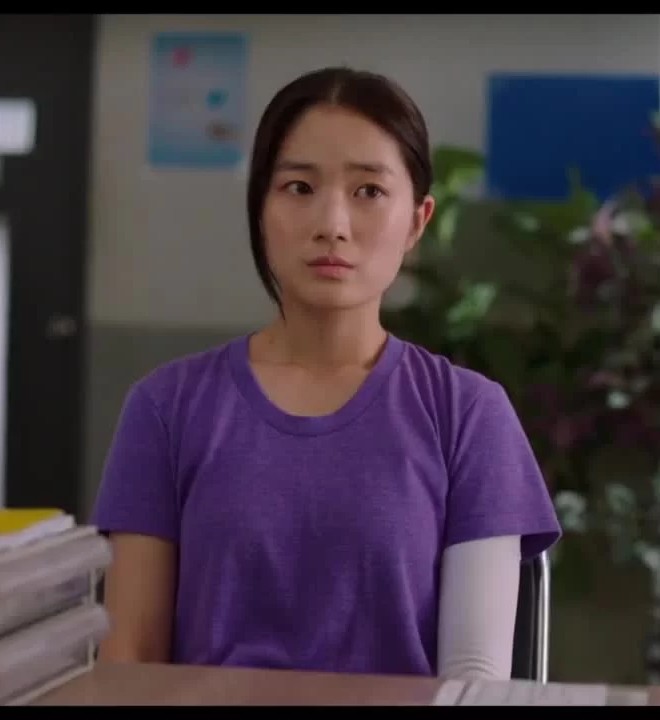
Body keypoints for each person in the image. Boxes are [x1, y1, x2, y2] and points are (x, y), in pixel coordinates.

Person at [92, 66, 561, 680]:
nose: (332, 224)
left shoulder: (467, 413)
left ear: (417, 221)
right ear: (260, 210)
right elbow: (130, 659)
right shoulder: (165, 407)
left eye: (368, 191)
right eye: (298, 187)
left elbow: (473, 676)